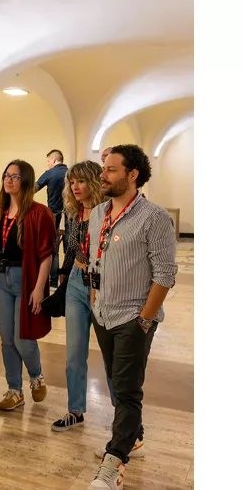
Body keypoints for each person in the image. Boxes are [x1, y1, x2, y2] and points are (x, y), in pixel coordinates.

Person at [86, 144, 177, 490]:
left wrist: (144, 319)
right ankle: (133, 436)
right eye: (103, 168)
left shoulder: (155, 218)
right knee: (115, 381)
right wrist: (95, 300)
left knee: (126, 390)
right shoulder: (98, 214)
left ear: (132, 174)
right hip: (103, 313)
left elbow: (165, 273)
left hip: (133, 317)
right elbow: (97, 260)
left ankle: (114, 462)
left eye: (110, 169)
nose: (103, 175)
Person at [0, 160, 56, 411]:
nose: (8, 180)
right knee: (6, 339)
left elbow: (47, 254)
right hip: (0, 279)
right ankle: (14, 389)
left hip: (25, 279)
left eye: (15, 176)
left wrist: (39, 288)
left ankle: (36, 377)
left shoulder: (40, 212)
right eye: (6, 175)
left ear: (25, 181)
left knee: (23, 337)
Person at [50, 161, 116, 432]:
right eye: (71, 182)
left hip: (104, 284)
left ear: (93, 181)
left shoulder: (110, 213)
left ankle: (126, 420)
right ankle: (75, 409)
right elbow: (73, 248)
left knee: (111, 355)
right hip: (77, 283)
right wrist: (64, 275)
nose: (75, 187)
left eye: (80, 181)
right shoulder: (74, 212)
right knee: (74, 353)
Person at [35, 150, 69, 288]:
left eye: (48, 161)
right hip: (69, 216)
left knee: (53, 250)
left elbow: (34, 188)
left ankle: (53, 283)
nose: (48, 164)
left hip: (53, 215)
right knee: (69, 250)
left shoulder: (50, 173)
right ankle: (65, 283)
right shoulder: (70, 172)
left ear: (53, 160)